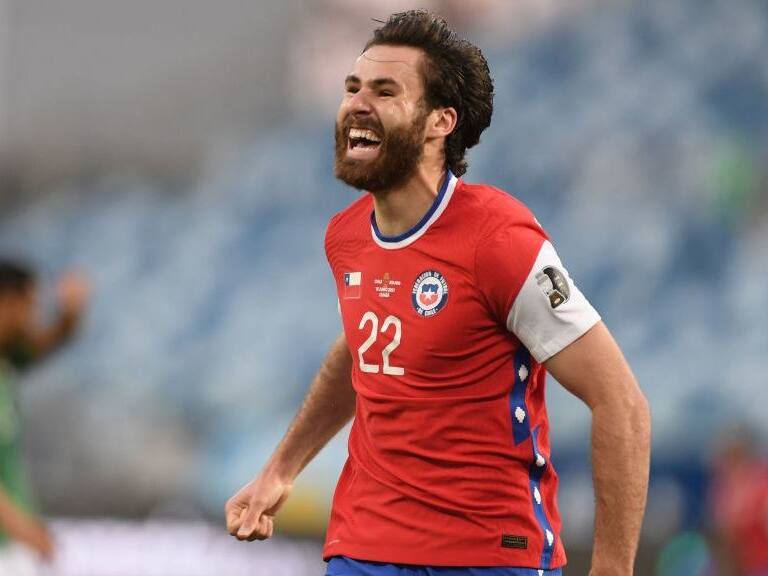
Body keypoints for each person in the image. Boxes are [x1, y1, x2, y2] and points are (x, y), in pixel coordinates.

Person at [226, 10, 651, 576]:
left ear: (439, 122)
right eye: (352, 88)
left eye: (384, 91)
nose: (357, 103)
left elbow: (621, 404)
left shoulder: (499, 240)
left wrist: (614, 568)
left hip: (488, 555)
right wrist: (281, 468)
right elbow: (362, 351)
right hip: (364, 549)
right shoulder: (345, 237)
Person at [0, 259, 88, 573]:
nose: (34, 318)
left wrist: (69, 317)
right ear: (8, 303)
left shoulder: (6, 362)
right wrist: (22, 528)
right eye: (30, 306)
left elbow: (45, 344)